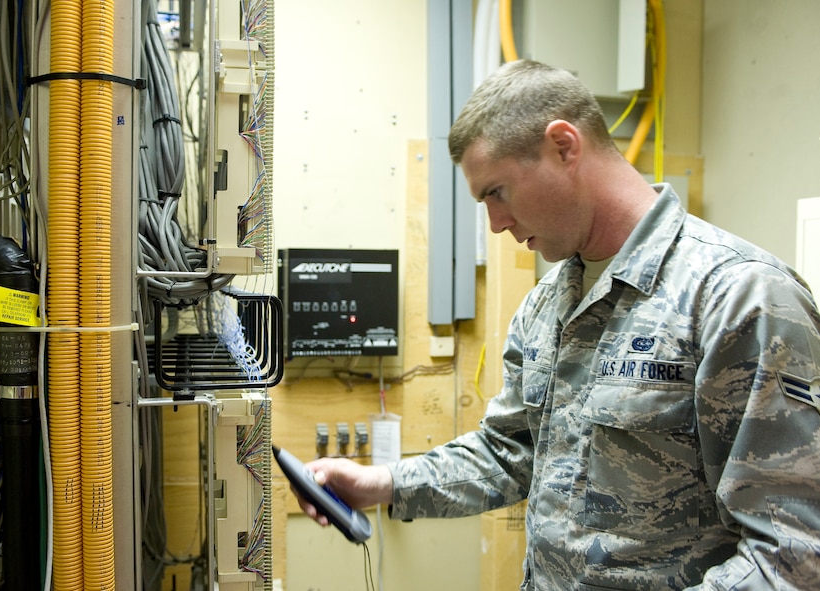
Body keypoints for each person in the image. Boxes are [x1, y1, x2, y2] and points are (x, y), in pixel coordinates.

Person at [291, 60, 820, 590]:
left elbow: (793, 555)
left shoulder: (737, 297)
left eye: (496, 192)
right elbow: (511, 449)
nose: (495, 224)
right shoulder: (549, 304)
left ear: (564, 145)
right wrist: (382, 483)